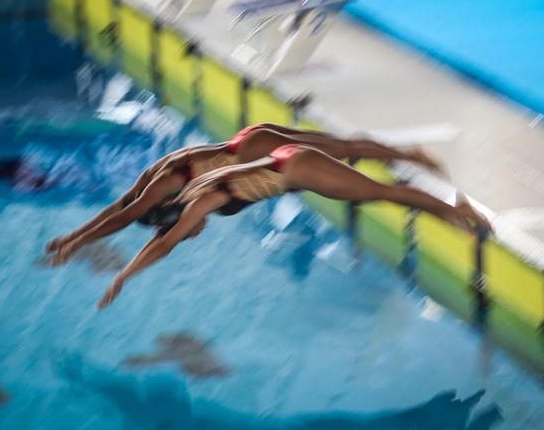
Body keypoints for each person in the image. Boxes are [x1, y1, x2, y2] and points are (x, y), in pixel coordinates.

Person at [93, 144, 491, 308]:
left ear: (175, 221)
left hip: (294, 168)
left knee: (380, 192)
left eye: (182, 230)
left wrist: (124, 277)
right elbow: (165, 242)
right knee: (376, 192)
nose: (192, 234)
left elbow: (165, 244)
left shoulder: (199, 202)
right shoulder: (194, 199)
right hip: (287, 164)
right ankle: (452, 209)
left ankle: (460, 211)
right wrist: (124, 274)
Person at [46, 123, 450, 262]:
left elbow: (124, 215)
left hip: (254, 151)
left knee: (337, 149)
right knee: (336, 146)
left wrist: (78, 242)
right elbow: (120, 206)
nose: (192, 230)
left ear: (163, 207)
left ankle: (406, 157)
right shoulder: (153, 181)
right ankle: (405, 153)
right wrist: (72, 237)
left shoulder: (168, 185)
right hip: (247, 144)